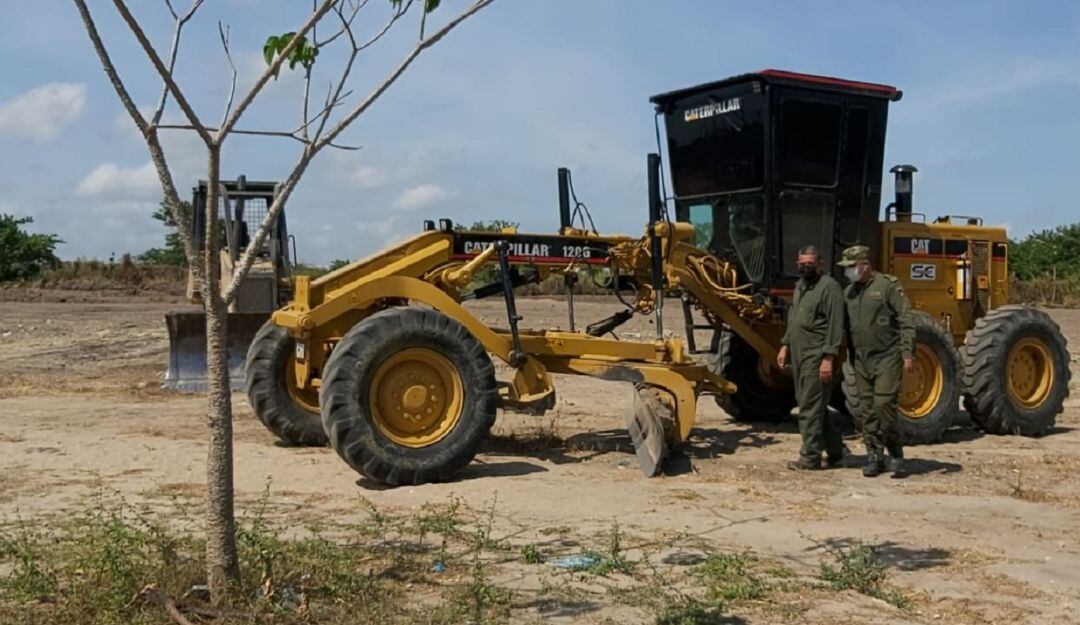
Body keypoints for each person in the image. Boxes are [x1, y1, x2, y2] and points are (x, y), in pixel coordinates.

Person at [837, 245, 914, 478]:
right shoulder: (848, 293)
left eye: (851, 267)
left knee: (884, 405)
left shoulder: (887, 286)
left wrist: (907, 353)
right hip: (860, 359)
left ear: (864, 265)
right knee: (866, 411)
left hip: (887, 357)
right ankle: (874, 455)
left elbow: (905, 319)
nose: (848, 272)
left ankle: (896, 453)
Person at [777, 245, 846, 471]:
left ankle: (810, 457)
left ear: (820, 264)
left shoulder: (830, 288)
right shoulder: (801, 286)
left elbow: (835, 326)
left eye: (809, 264)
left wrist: (828, 358)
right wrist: (785, 345)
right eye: (801, 264)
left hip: (816, 355)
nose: (805, 268)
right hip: (798, 354)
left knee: (809, 407)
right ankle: (836, 450)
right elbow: (794, 317)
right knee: (814, 405)